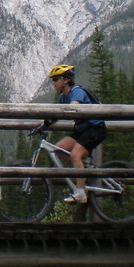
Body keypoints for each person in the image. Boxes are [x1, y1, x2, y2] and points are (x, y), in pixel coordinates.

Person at [46, 63, 106, 204]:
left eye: (56, 79)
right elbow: (56, 115)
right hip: (81, 130)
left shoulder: (76, 92)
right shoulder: (63, 97)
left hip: (94, 129)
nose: (53, 83)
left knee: (75, 155)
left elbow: (74, 106)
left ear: (65, 80)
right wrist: (43, 124)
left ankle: (80, 193)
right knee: (58, 150)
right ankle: (82, 169)